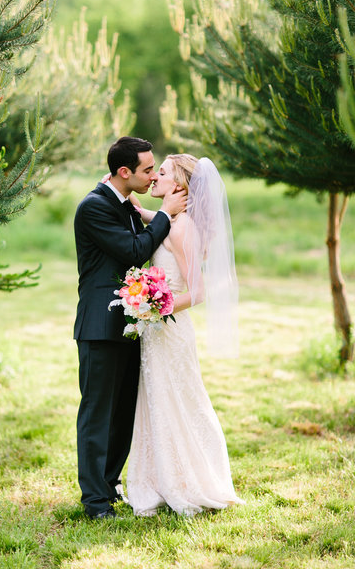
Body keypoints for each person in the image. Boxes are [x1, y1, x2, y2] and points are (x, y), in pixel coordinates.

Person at [73, 137, 187, 519]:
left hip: (131, 323)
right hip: (99, 326)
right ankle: (94, 502)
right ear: (125, 173)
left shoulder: (122, 202)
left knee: (122, 413)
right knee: (96, 413)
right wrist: (166, 215)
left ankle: (109, 486)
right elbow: (135, 251)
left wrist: (153, 215)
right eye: (147, 170)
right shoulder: (93, 208)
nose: (153, 174)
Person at [127, 153, 244, 516]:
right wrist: (122, 192)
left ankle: (195, 480)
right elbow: (151, 218)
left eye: (160, 173)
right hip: (157, 332)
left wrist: (154, 307)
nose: (154, 178)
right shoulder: (171, 220)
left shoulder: (182, 228)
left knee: (183, 402)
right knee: (159, 403)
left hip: (170, 332)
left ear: (177, 186)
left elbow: (198, 292)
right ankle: (162, 478)